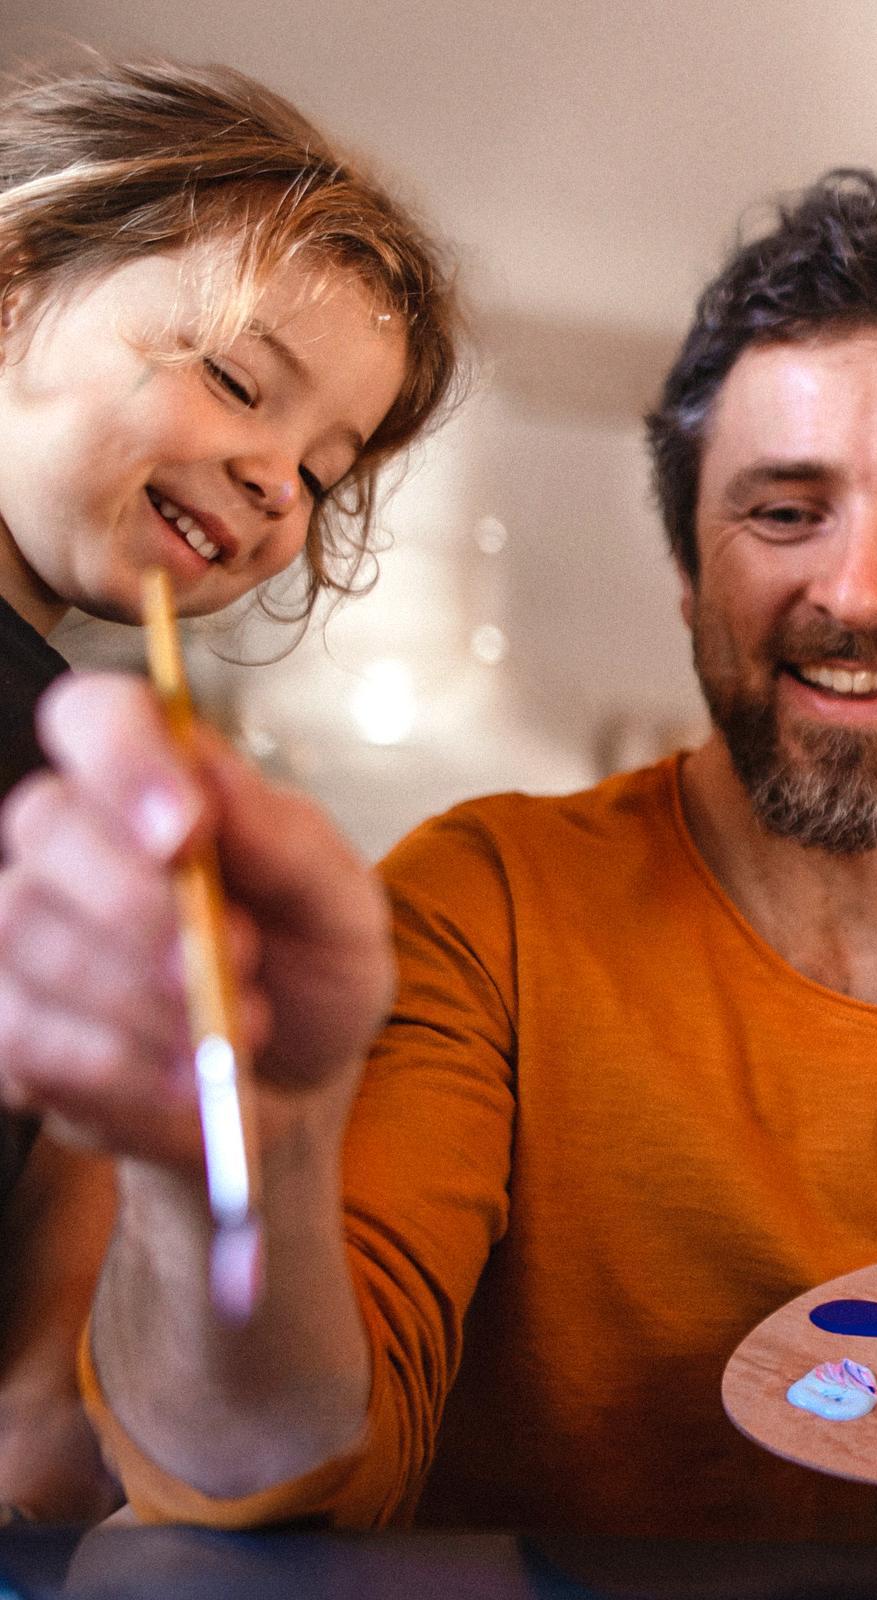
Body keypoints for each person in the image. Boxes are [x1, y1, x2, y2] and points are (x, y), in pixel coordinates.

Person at [0, 170, 877, 1556]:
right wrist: (236, 1165)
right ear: (690, 573)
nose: (855, 594)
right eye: (782, 511)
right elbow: (266, 1469)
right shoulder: (480, 908)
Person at [0, 55, 461, 1521]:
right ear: (11, 288)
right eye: (240, 383)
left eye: (327, 471)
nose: (280, 484)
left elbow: (39, 1392)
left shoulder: (84, 745)